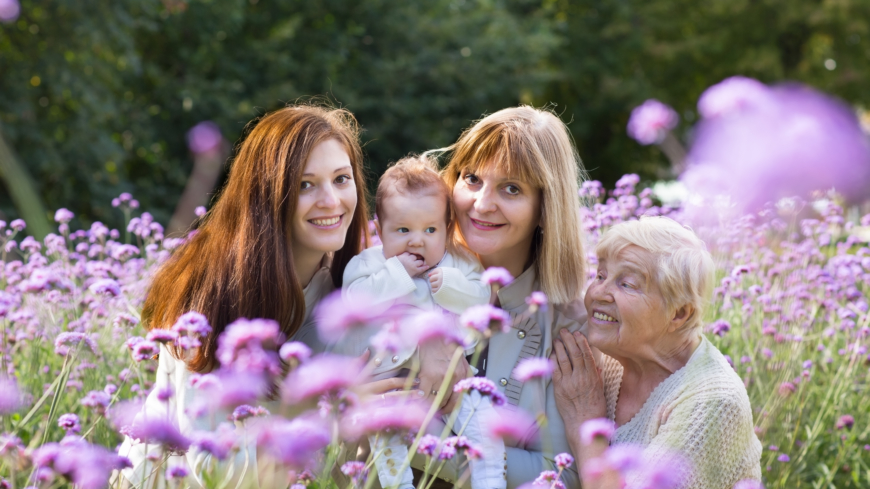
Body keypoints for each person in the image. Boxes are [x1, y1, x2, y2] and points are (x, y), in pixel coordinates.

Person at [116, 105, 406, 487]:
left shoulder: (350, 283)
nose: (331, 201)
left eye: (341, 179)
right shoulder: (211, 297)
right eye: (306, 184)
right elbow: (214, 469)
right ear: (268, 194)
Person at [409, 106, 588, 489]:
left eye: (512, 189)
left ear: (545, 208)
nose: (483, 203)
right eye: (472, 179)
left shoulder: (567, 325)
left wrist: (406, 436)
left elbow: (558, 473)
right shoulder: (410, 273)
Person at [552, 217, 763, 489]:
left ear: (679, 313)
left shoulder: (713, 402)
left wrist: (586, 424)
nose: (598, 292)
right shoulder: (618, 354)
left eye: (627, 284)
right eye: (601, 275)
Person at [341, 156, 501, 489]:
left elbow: (481, 298)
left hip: (453, 379)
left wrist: (452, 285)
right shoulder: (368, 264)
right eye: (403, 230)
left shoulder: (459, 262)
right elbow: (355, 301)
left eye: (430, 230)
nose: (417, 241)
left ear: (447, 228)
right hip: (390, 382)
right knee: (389, 445)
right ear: (379, 229)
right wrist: (398, 273)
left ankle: (491, 483)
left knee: (485, 429)